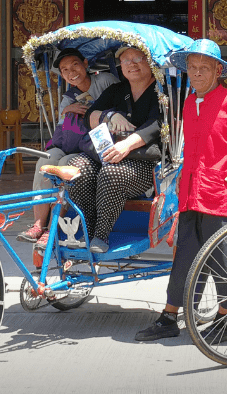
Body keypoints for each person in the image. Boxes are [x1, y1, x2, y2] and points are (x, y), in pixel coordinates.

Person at [135, 39, 227, 344]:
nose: (197, 73)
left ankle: (224, 321)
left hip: (220, 195)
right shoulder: (188, 101)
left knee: (223, 261)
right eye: (193, 68)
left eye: (204, 68)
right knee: (185, 257)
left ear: (217, 71)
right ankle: (170, 316)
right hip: (190, 193)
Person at [63, 44, 163, 254]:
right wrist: (107, 116)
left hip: (142, 161)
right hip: (107, 153)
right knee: (76, 167)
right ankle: (87, 231)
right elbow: (89, 114)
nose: (131, 64)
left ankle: (101, 235)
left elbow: (156, 124)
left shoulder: (160, 91)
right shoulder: (118, 89)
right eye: (126, 60)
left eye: (138, 59)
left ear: (150, 62)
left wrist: (126, 145)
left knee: (111, 173)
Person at [18, 48, 117, 245]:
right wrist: (68, 111)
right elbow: (63, 132)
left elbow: (120, 104)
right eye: (64, 70)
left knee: (65, 163)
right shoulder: (67, 98)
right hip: (70, 143)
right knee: (45, 161)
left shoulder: (104, 81)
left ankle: (53, 226)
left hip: (93, 146)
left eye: (75, 65)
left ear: (85, 64)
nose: (71, 72)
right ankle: (39, 224)